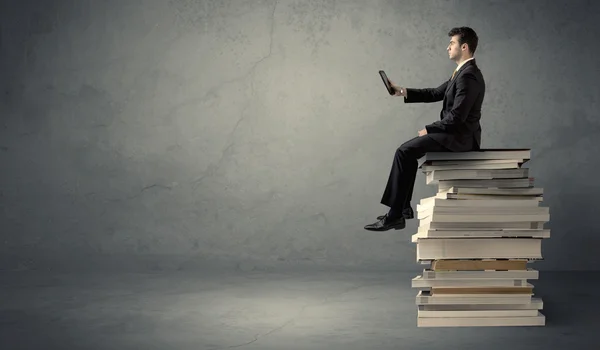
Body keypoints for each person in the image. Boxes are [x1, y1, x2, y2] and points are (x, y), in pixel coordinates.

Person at [364, 26, 485, 232]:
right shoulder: (462, 72)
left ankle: (396, 214)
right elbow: (434, 93)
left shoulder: (468, 76)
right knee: (407, 153)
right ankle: (401, 210)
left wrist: (430, 130)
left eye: (452, 43)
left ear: (464, 47)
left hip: (460, 138)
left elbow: (457, 117)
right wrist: (400, 91)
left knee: (404, 151)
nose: (447, 48)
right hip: (453, 134)